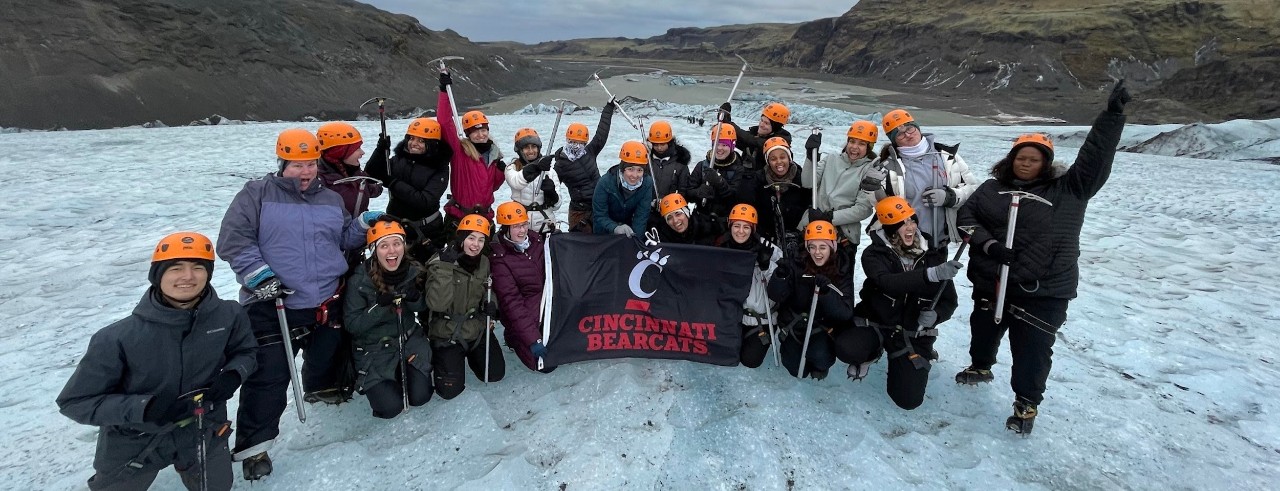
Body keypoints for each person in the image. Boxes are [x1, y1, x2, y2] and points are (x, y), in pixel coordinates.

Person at [955, 81, 1131, 435]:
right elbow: (966, 221)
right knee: (984, 329)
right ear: (1011, 159)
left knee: (1033, 349)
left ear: (1046, 163)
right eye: (1021, 157)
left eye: (1034, 159)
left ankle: (1026, 402)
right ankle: (981, 365)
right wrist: (989, 245)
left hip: (1044, 287)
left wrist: (1112, 117)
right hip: (994, 278)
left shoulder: (1070, 189)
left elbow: (1095, 158)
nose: (1026, 163)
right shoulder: (992, 189)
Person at [217, 128, 376, 480]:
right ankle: (254, 448)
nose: (305, 172)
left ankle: (320, 390)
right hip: (273, 301)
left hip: (325, 299)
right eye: (296, 164)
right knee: (269, 375)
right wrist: (258, 275)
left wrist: (362, 225)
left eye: (310, 164)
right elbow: (233, 240)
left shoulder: (330, 199)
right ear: (282, 162)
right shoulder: (256, 195)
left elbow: (342, 238)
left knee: (326, 356)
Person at [57, 232, 257, 491]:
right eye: (176, 268)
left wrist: (234, 374)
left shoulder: (230, 315)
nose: (188, 276)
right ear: (157, 275)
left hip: (204, 429)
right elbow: (75, 402)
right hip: (136, 439)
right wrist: (144, 408)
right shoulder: (117, 337)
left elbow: (247, 352)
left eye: (198, 267)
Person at [831, 197, 961, 410]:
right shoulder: (874, 253)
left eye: (912, 221)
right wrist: (930, 275)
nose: (910, 228)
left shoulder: (932, 255)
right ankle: (872, 353)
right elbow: (888, 283)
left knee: (908, 400)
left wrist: (937, 315)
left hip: (913, 333)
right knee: (847, 348)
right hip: (877, 323)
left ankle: (901, 361)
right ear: (891, 229)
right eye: (902, 224)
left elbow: (949, 300)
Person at [343, 220, 434, 419]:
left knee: (421, 397)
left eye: (397, 243)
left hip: (409, 342)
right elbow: (352, 324)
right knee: (390, 408)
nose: (392, 251)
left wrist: (415, 298)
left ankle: (407, 376)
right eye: (384, 245)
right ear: (374, 250)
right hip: (375, 350)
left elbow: (422, 308)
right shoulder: (360, 279)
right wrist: (380, 307)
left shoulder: (412, 270)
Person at [425, 215, 506, 398]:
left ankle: (469, 356)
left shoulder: (483, 262)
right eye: (471, 237)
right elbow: (437, 304)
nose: (475, 244)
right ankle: (447, 359)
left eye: (481, 239)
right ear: (461, 237)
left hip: (475, 328)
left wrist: (491, 303)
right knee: (449, 391)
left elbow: (488, 288)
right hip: (447, 332)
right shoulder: (440, 262)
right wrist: (446, 268)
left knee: (494, 374)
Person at [876, 109, 980, 250]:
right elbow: (878, 204)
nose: (907, 134)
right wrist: (871, 188)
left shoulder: (947, 157)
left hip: (940, 241)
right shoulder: (888, 167)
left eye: (910, 128)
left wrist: (950, 197)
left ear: (917, 127)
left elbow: (973, 189)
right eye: (899, 134)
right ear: (893, 140)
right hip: (907, 244)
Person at [766, 221, 854, 380]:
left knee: (820, 358)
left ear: (832, 248)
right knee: (794, 368)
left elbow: (845, 312)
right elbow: (775, 296)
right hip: (795, 323)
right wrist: (781, 275)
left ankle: (821, 362)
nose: (817, 252)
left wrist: (827, 293)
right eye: (812, 247)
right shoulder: (796, 264)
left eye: (823, 247)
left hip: (821, 327)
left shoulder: (841, 269)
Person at [365, 117, 453, 263]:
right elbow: (371, 174)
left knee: (424, 275)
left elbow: (426, 201)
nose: (414, 144)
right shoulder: (400, 159)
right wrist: (380, 151)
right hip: (396, 227)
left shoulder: (440, 167)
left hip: (426, 231)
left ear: (432, 144)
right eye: (411, 138)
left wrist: (393, 183)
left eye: (421, 140)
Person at [713, 204, 782, 368]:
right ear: (730, 226)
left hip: (760, 318)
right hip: (733, 316)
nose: (741, 231)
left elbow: (780, 289)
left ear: (753, 228)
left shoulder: (767, 248)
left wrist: (767, 266)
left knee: (751, 360)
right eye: (736, 226)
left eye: (746, 227)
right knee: (723, 353)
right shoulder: (722, 246)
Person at [489, 201, 553, 372]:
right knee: (544, 365)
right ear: (506, 228)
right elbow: (511, 302)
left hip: (546, 302)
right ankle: (514, 337)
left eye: (524, 224)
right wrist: (532, 339)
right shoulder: (500, 258)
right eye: (516, 226)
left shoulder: (536, 240)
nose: (522, 230)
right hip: (525, 311)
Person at [800, 120, 884, 249]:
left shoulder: (869, 171)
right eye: (852, 141)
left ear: (869, 147)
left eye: (861, 144)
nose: (854, 147)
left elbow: (863, 209)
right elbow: (807, 183)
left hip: (843, 237)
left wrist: (829, 218)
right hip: (812, 227)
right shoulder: (831, 159)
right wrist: (810, 157)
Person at [438, 69, 504, 223]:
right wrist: (444, 92)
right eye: (475, 131)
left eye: (483, 130)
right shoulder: (460, 152)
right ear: (468, 134)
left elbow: (490, 188)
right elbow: (445, 122)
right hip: (460, 218)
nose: (480, 135)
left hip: (484, 218)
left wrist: (500, 174)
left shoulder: (494, 155)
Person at [554, 99, 617, 233]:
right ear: (567, 140)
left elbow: (602, 133)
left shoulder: (590, 152)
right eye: (573, 142)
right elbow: (552, 187)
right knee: (580, 244)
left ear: (585, 142)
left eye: (580, 142)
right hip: (580, 211)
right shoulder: (560, 164)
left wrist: (609, 108)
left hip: (600, 204)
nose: (576, 146)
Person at [689, 123, 758, 223]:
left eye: (725, 145)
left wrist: (720, 183)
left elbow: (736, 198)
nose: (719, 148)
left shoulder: (739, 169)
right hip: (701, 220)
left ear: (732, 146)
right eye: (716, 144)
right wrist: (698, 192)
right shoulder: (702, 166)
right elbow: (688, 193)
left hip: (726, 222)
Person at [316, 121, 384, 218]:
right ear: (340, 152)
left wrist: (380, 152)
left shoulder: (355, 173)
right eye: (357, 148)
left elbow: (372, 189)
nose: (362, 152)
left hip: (357, 230)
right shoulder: (319, 181)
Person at [755, 136, 811, 245]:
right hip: (767, 239)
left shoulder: (802, 180)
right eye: (773, 159)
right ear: (768, 162)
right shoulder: (759, 181)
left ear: (789, 158)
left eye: (782, 157)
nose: (779, 162)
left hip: (796, 239)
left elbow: (808, 207)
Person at [592, 141, 655, 236]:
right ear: (622, 169)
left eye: (639, 170)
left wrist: (636, 242)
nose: (635, 175)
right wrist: (615, 228)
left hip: (629, 231)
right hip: (604, 233)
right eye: (630, 169)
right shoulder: (605, 183)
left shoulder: (647, 183)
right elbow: (600, 215)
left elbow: (641, 217)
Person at [506, 128, 560, 234]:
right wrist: (536, 167)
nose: (531, 151)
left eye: (534, 147)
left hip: (545, 224)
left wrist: (552, 194)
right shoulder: (511, 168)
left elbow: (557, 206)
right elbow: (516, 182)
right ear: (519, 151)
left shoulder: (550, 172)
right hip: (520, 225)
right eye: (526, 148)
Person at [646, 120, 694, 227]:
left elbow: (683, 192)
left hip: (671, 214)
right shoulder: (646, 162)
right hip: (647, 211)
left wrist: (667, 203)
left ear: (670, 141)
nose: (659, 148)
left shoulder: (680, 164)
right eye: (655, 144)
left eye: (662, 144)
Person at [719, 101, 793, 170]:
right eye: (761, 120)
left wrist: (729, 124)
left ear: (775, 128)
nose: (761, 125)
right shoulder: (754, 133)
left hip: (765, 179)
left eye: (766, 123)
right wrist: (725, 122)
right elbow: (739, 139)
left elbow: (753, 141)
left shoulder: (780, 141)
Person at [650, 192, 722, 245]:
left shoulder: (705, 228)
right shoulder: (662, 236)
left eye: (678, 214)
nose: (675, 221)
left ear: (687, 214)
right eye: (669, 218)